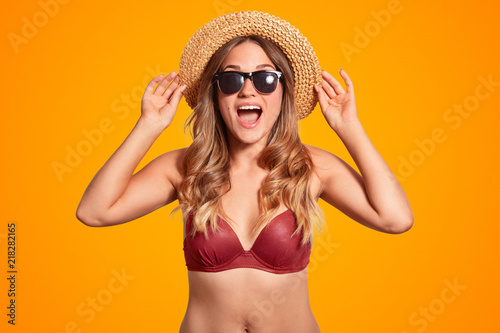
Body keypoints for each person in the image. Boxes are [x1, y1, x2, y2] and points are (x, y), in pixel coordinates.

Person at [76, 11, 413, 332]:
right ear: (215, 92)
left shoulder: (311, 168)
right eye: (232, 78)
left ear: (284, 93)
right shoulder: (185, 168)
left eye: (266, 78)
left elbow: (395, 219)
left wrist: (349, 127)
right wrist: (148, 126)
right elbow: (94, 211)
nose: (248, 90)